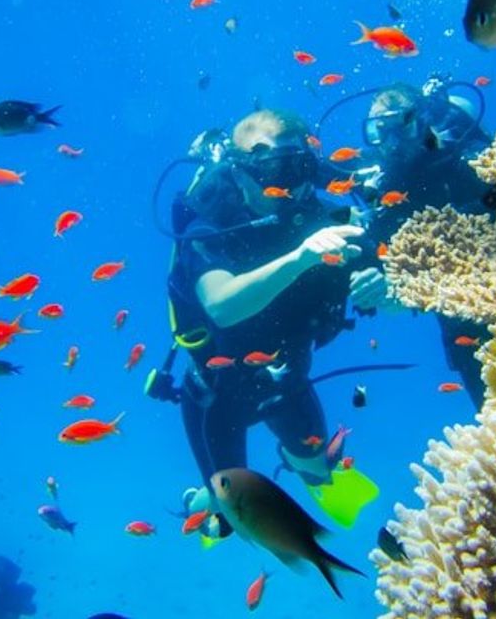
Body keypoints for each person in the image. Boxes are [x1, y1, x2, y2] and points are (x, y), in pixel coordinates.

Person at [161, 110, 386, 538]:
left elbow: (387, 284)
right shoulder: (208, 221)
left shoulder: (323, 218)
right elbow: (222, 305)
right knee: (226, 514)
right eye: (274, 171)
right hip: (217, 394)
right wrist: (302, 256)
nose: (292, 186)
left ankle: (303, 469)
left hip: (288, 379)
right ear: (241, 170)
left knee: (317, 466)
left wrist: (380, 287)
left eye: (300, 168)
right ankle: (197, 501)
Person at [354, 79, 496, 407]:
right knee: (478, 373)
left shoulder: (457, 158)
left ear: (422, 123)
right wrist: (381, 284)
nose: (391, 143)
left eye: (401, 128)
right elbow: (376, 253)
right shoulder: (380, 183)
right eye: (380, 132)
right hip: (454, 304)